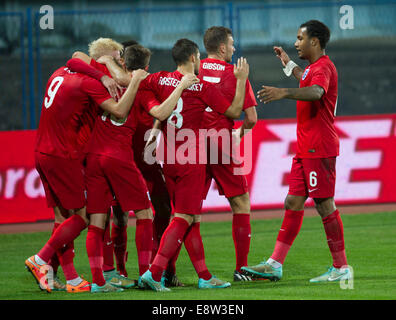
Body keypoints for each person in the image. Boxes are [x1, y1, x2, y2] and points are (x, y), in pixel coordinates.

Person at [70, 44, 198, 293]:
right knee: (145, 214)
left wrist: (105, 66)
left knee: (98, 220)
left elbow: (76, 59)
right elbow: (160, 110)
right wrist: (181, 86)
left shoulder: (102, 80)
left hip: (95, 156)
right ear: (146, 67)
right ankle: (145, 274)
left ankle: (99, 281)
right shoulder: (142, 86)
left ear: (123, 64)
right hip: (120, 156)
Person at [24, 49, 148, 293]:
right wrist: (132, 81)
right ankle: (40, 259)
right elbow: (120, 111)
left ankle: (71, 279)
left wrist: (101, 72)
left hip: (41, 151)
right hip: (62, 155)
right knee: (84, 217)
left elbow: (74, 56)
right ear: (100, 61)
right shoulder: (87, 84)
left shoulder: (60, 72)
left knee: (62, 219)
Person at [241, 20, 351, 283]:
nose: (296, 42)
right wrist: (288, 64)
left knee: (324, 204)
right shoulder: (314, 68)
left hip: (319, 146)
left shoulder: (324, 67)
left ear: (314, 41)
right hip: (305, 148)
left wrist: (282, 93)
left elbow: (315, 91)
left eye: (300, 38)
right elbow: (305, 77)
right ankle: (275, 263)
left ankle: (341, 267)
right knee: (292, 202)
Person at [139, 38, 250, 292]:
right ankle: (154, 272)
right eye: (198, 58)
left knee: (191, 217)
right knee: (183, 217)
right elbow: (234, 112)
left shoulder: (158, 79)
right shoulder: (200, 87)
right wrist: (242, 79)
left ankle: (204, 275)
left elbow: (135, 79)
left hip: (168, 158)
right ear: (193, 58)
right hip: (192, 159)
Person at [199, 26, 257, 281]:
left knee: (186, 211)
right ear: (222, 47)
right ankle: (241, 269)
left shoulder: (194, 69)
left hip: (190, 145)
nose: (234, 49)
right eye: (232, 45)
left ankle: (166, 272)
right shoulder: (236, 73)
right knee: (241, 203)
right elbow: (252, 119)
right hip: (221, 142)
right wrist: (238, 134)